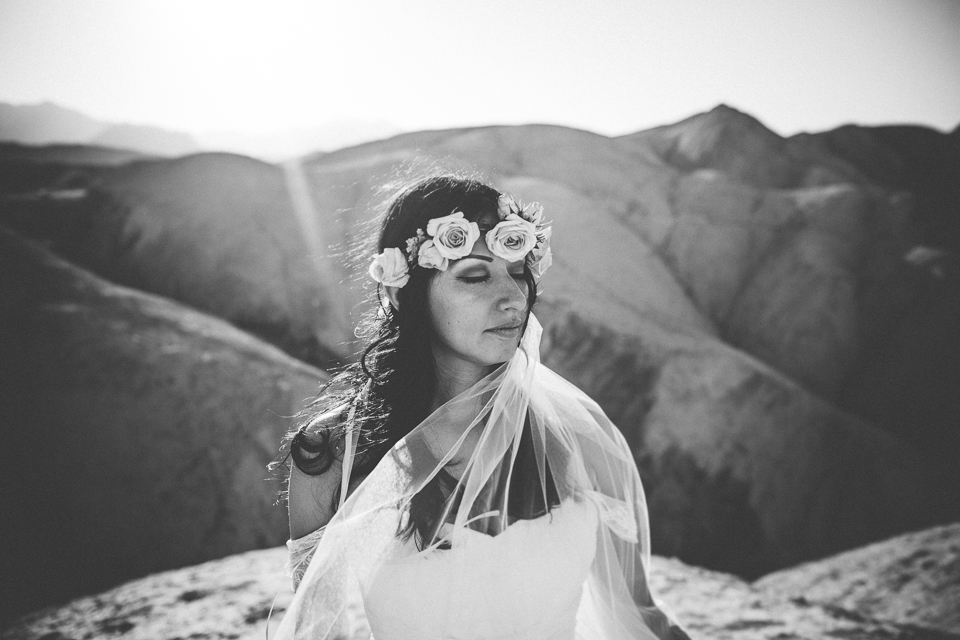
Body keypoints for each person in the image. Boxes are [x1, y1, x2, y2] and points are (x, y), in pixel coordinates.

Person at [275, 175, 690, 640]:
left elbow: (639, 615)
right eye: (474, 276)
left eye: (517, 272)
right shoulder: (333, 455)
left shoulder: (579, 436)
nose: (513, 297)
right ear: (401, 294)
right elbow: (315, 630)